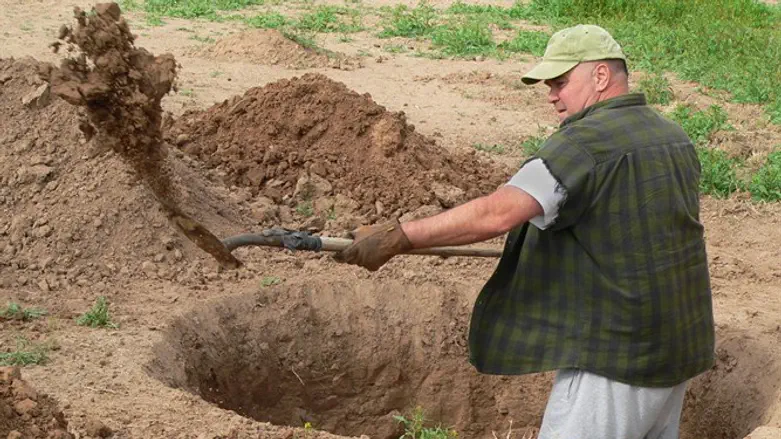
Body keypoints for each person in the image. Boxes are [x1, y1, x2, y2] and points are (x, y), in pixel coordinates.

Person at [335, 24, 715, 439]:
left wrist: (399, 235)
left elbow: (497, 214)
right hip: (678, 346)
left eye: (561, 82)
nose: (552, 95)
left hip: (615, 358)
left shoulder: (583, 143)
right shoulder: (673, 137)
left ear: (601, 76)